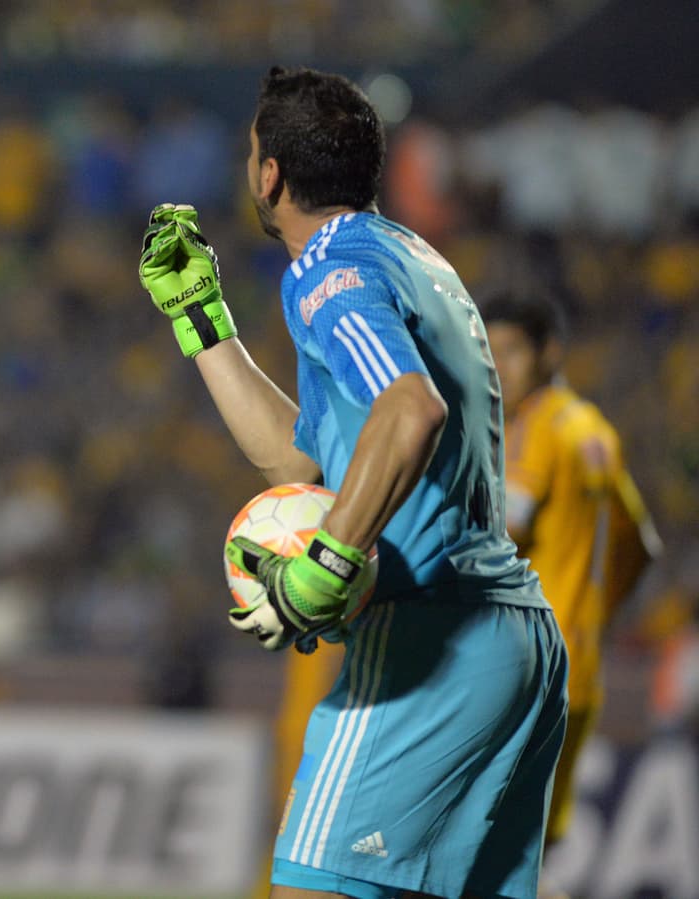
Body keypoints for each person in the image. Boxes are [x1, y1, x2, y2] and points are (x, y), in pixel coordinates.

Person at [138, 67, 568, 899]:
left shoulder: (329, 268)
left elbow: (411, 408)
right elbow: (302, 467)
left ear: (270, 175)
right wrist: (203, 324)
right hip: (512, 638)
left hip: (428, 642)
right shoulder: (411, 258)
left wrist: (327, 562)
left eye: (252, 154)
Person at [481, 289, 661, 857]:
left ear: (550, 353)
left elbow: (501, 532)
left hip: (523, 672)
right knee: (525, 857)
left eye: (511, 351)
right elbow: (641, 544)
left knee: (479, 854)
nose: (498, 367)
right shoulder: (595, 432)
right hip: (578, 669)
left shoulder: (536, 428)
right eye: (489, 351)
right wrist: (591, 618)